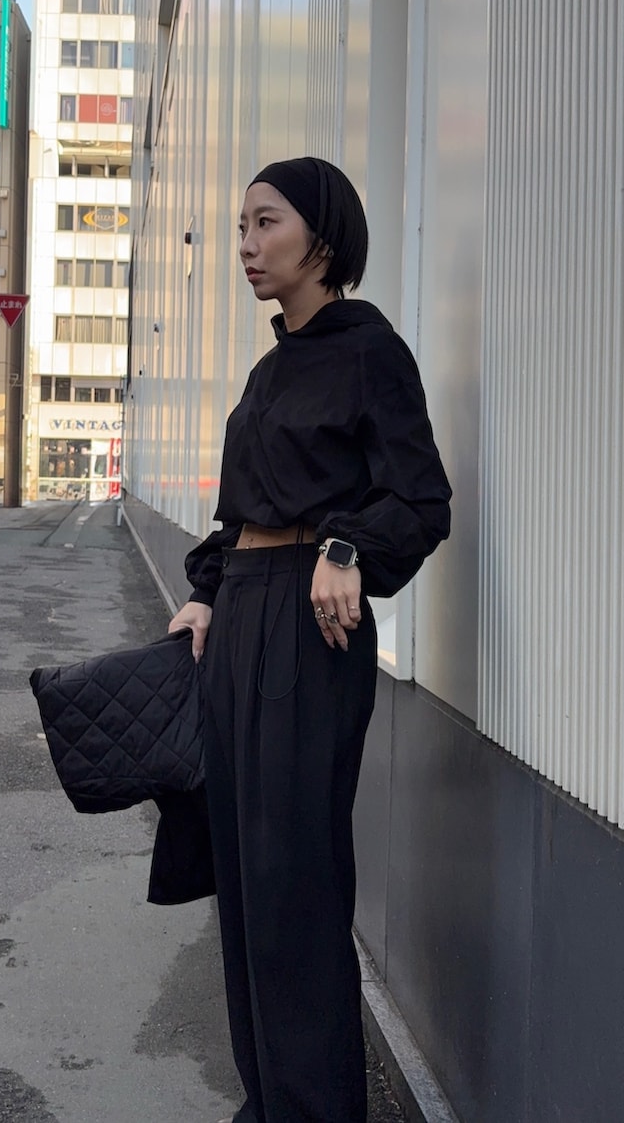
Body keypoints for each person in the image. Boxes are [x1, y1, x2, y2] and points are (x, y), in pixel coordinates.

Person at [167, 157, 451, 1123]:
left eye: (266, 223)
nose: (246, 245)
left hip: (308, 621)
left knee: (295, 878)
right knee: (244, 876)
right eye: (241, 227)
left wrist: (346, 547)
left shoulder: (371, 352)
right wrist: (204, 594)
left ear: (322, 236)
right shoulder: (268, 370)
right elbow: (241, 514)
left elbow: (420, 499)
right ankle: (270, 1103)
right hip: (242, 614)